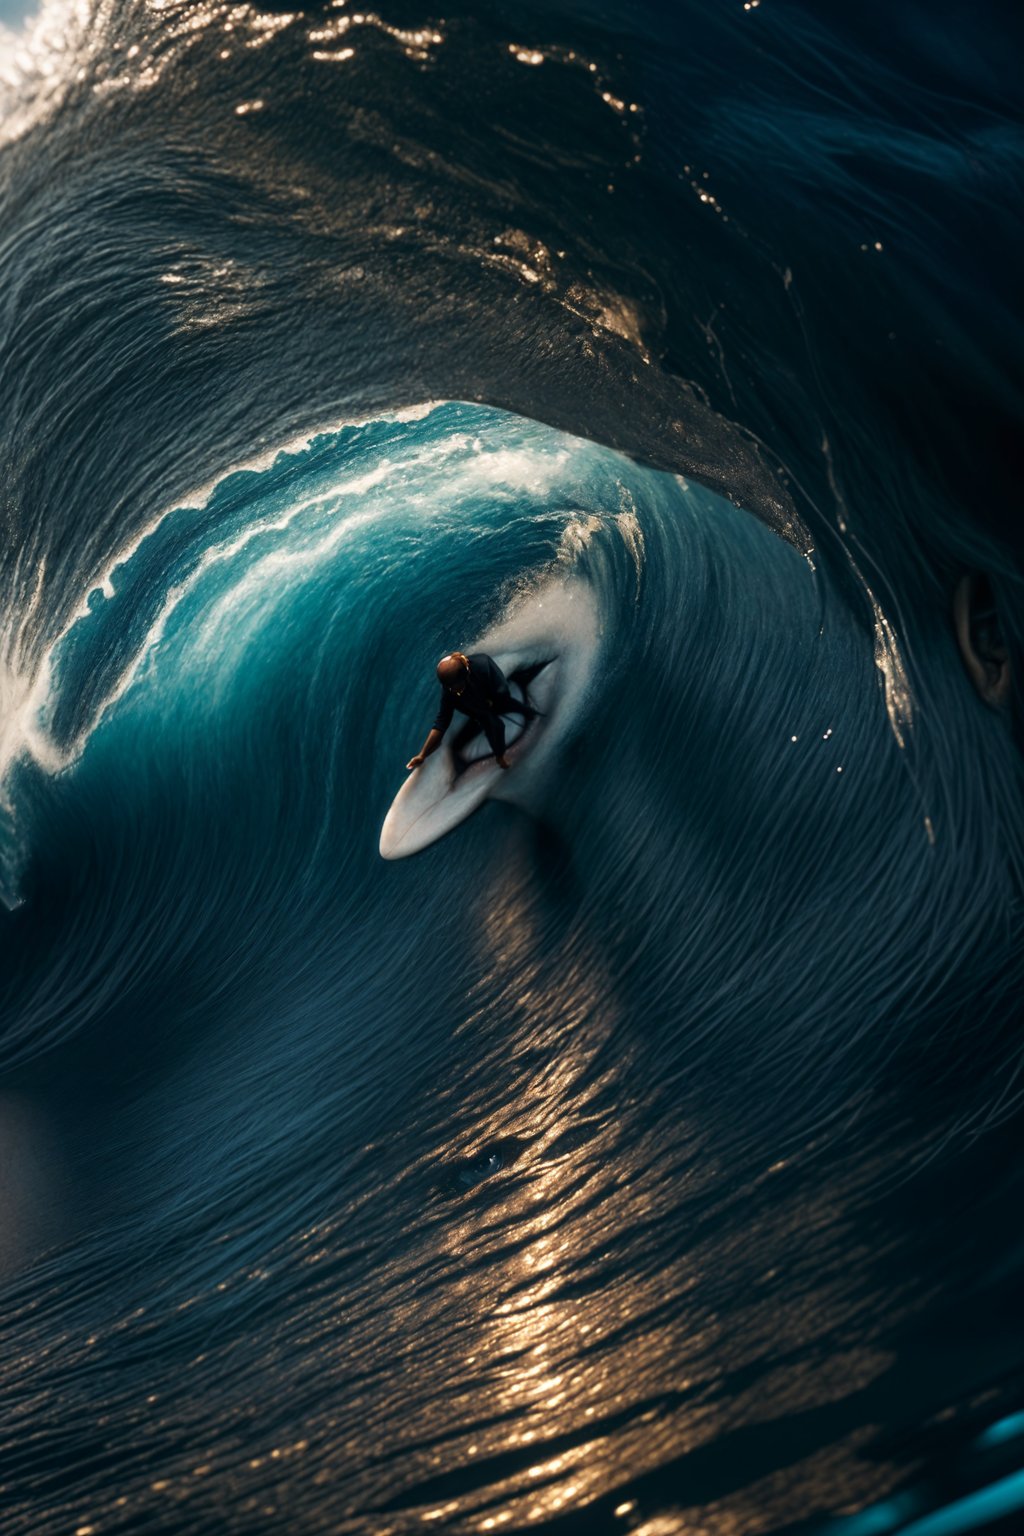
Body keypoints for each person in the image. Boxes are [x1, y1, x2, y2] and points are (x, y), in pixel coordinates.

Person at [407, 652, 537, 771]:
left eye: (456, 687)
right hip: (479, 711)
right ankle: (500, 756)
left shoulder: (483, 663)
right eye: (449, 688)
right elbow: (441, 723)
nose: (453, 691)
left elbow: (502, 688)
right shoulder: (449, 690)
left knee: (511, 705)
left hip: (495, 698)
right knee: (495, 727)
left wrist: (492, 700)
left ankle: (530, 713)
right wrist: (422, 755)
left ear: (466, 674)